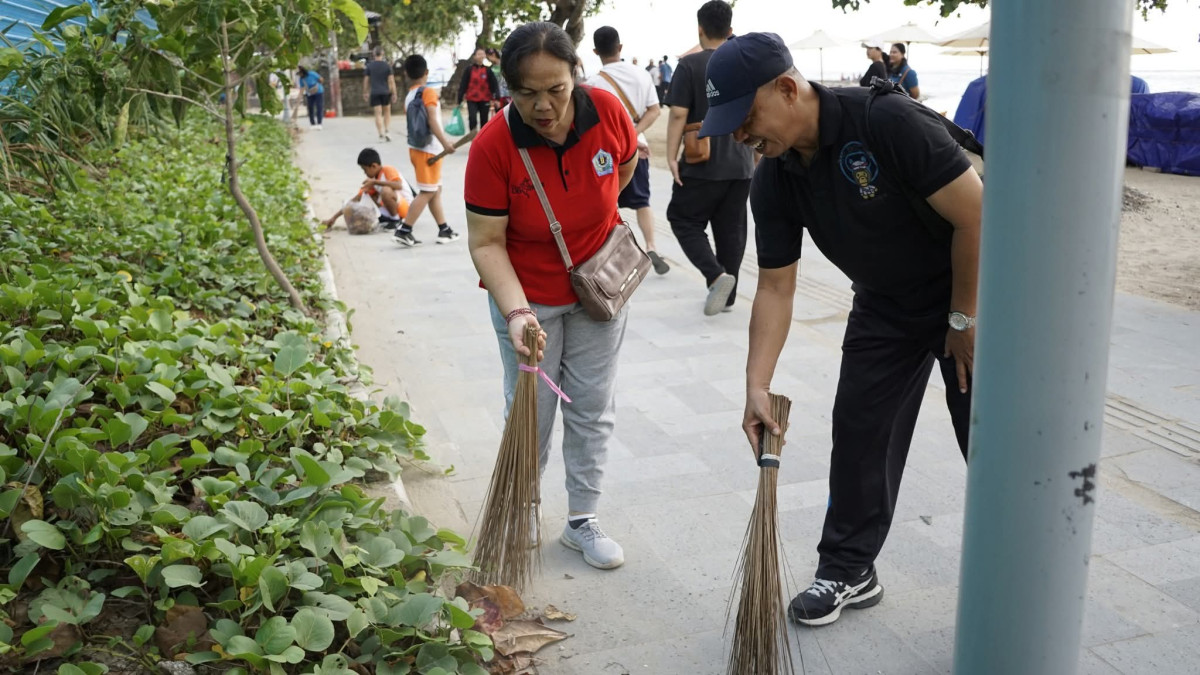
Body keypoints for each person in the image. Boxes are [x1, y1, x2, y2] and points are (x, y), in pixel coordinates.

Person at [700, 32, 982, 627]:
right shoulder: (774, 175)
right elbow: (776, 285)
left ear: (787, 87)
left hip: (973, 292)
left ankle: (1017, 567)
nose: (742, 137)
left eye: (746, 118)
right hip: (885, 305)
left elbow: (976, 214)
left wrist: (963, 317)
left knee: (988, 435)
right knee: (859, 427)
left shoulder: (887, 121)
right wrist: (756, 385)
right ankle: (849, 568)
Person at [464, 21, 638, 571]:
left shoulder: (608, 111)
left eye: (556, 89)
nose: (544, 105)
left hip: (598, 291)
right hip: (528, 295)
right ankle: (521, 508)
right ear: (507, 90)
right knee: (531, 413)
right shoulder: (494, 146)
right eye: (527, 93)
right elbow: (487, 243)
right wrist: (516, 314)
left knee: (591, 405)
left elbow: (626, 167)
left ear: (575, 75)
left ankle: (582, 518)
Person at [665, 0, 755, 316]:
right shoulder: (745, 63)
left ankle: (716, 276)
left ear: (700, 29)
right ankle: (727, 296)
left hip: (701, 158)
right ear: (730, 30)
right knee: (732, 230)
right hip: (741, 158)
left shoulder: (689, 65)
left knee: (682, 218)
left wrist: (671, 156)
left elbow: (678, 114)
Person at [587, 26, 669, 275]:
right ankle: (651, 245)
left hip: (604, 155)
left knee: (607, 203)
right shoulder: (641, 75)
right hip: (637, 149)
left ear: (595, 51)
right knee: (642, 201)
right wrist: (632, 136)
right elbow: (654, 110)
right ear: (620, 47)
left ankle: (612, 255)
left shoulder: (593, 83)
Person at [396, 54, 460, 247]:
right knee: (426, 192)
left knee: (434, 190)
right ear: (426, 72)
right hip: (429, 151)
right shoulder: (428, 93)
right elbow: (432, 120)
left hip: (416, 149)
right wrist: (446, 143)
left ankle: (444, 229)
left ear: (407, 74)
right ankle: (404, 230)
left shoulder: (409, 96)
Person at [321, 148, 412, 232]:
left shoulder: (388, 170)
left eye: (365, 170)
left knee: (386, 190)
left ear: (374, 166)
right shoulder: (373, 181)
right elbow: (356, 199)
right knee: (367, 195)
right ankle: (387, 218)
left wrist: (375, 182)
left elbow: (398, 185)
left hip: (407, 208)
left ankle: (396, 221)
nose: (365, 173)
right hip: (394, 208)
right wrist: (334, 218)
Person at [457, 47, 501, 131]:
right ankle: (473, 139)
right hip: (471, 99)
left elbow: (494, 85)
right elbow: (463, 84)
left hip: (485, 99)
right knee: (472, 119)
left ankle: (482, 140)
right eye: (479, 54)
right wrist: (459, 98)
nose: (481, 56)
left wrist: (496, 98)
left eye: (482, 54)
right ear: (474, 56)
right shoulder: (469, 70)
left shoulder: (488, 70)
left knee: (484, 121)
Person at [363, 48, 397, 141]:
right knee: (387, 112)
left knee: (378, 113)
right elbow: (391, 80)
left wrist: (365, 92)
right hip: (385, 92)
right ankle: (387, 131)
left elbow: (366, 81)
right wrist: (394, 93)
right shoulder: (387, 66)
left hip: (374, 92)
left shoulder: (369, 66)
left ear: (374, 54)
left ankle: (380, 134)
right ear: (382, 54)